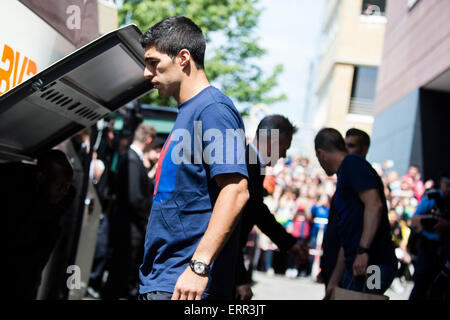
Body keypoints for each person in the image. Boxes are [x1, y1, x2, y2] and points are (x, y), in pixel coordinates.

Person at [138, 16, 249, 301]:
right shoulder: (189, 111)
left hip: (184, 284)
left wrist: (198, 266)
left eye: (153, 62)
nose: (146, 73)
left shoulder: (213, 109)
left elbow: (236, 191)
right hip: (164, 278)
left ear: (183, 58)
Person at [314, 128, 397, 299]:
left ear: (321, 154)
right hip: (360, 264)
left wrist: (363, 250)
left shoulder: (352, 164)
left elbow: (374, 205)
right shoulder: (346, 172)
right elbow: (348, 238)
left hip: (374, 265)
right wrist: (333, 282)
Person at [234, 115, 308, 300]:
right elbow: (233, 228)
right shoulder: (246, 164)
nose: (283, 155)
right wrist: (240, 278)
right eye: (285, 148)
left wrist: (289, 243)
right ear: (273, 142)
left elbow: (258, 211)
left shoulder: (253, 164)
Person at [3, 149, 75, 299]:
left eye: (67, 186)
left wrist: (37, 270)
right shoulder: (12, 184)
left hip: (27, 261)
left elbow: (49, 237)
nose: (64, 191)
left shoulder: (63, 197)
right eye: (60, 186)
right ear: (41, 177)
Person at [104, 123, 156, 300]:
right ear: (149, 140)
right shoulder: (133, 159)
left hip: (128, 225)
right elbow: (134, 196)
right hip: (129, 227)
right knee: (120, 272)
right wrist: (145, 219)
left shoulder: (131, 157)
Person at [318, 128, 371, 287]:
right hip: (340, 264)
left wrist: (363, 251)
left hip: (364, 265)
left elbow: (375, 206)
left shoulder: (361, 174)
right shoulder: (345, 178)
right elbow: (340, 230)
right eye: (344, 145)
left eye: (352, 145)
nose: (347, 151)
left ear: (364, 149)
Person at [409, 169, 450, 300]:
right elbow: (414, 219)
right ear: (441, 183)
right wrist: (429, 221)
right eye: (446, 184)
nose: (448, 189)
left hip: (445, 251)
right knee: (420, 286)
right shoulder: (432, 196)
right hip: (429, 246)